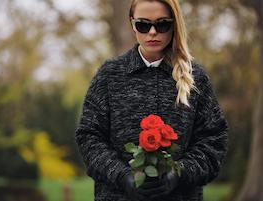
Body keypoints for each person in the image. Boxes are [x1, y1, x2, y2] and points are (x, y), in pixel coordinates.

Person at [75, 0, 229, 200]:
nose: (153, 32)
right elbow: (89, 137)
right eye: (143, 25)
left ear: (174, 24)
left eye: (162, 24)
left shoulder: (195, 77)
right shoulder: (109, 75)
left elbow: (213, 140)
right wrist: (122, 176)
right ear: (132, 24)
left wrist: (180, 173)